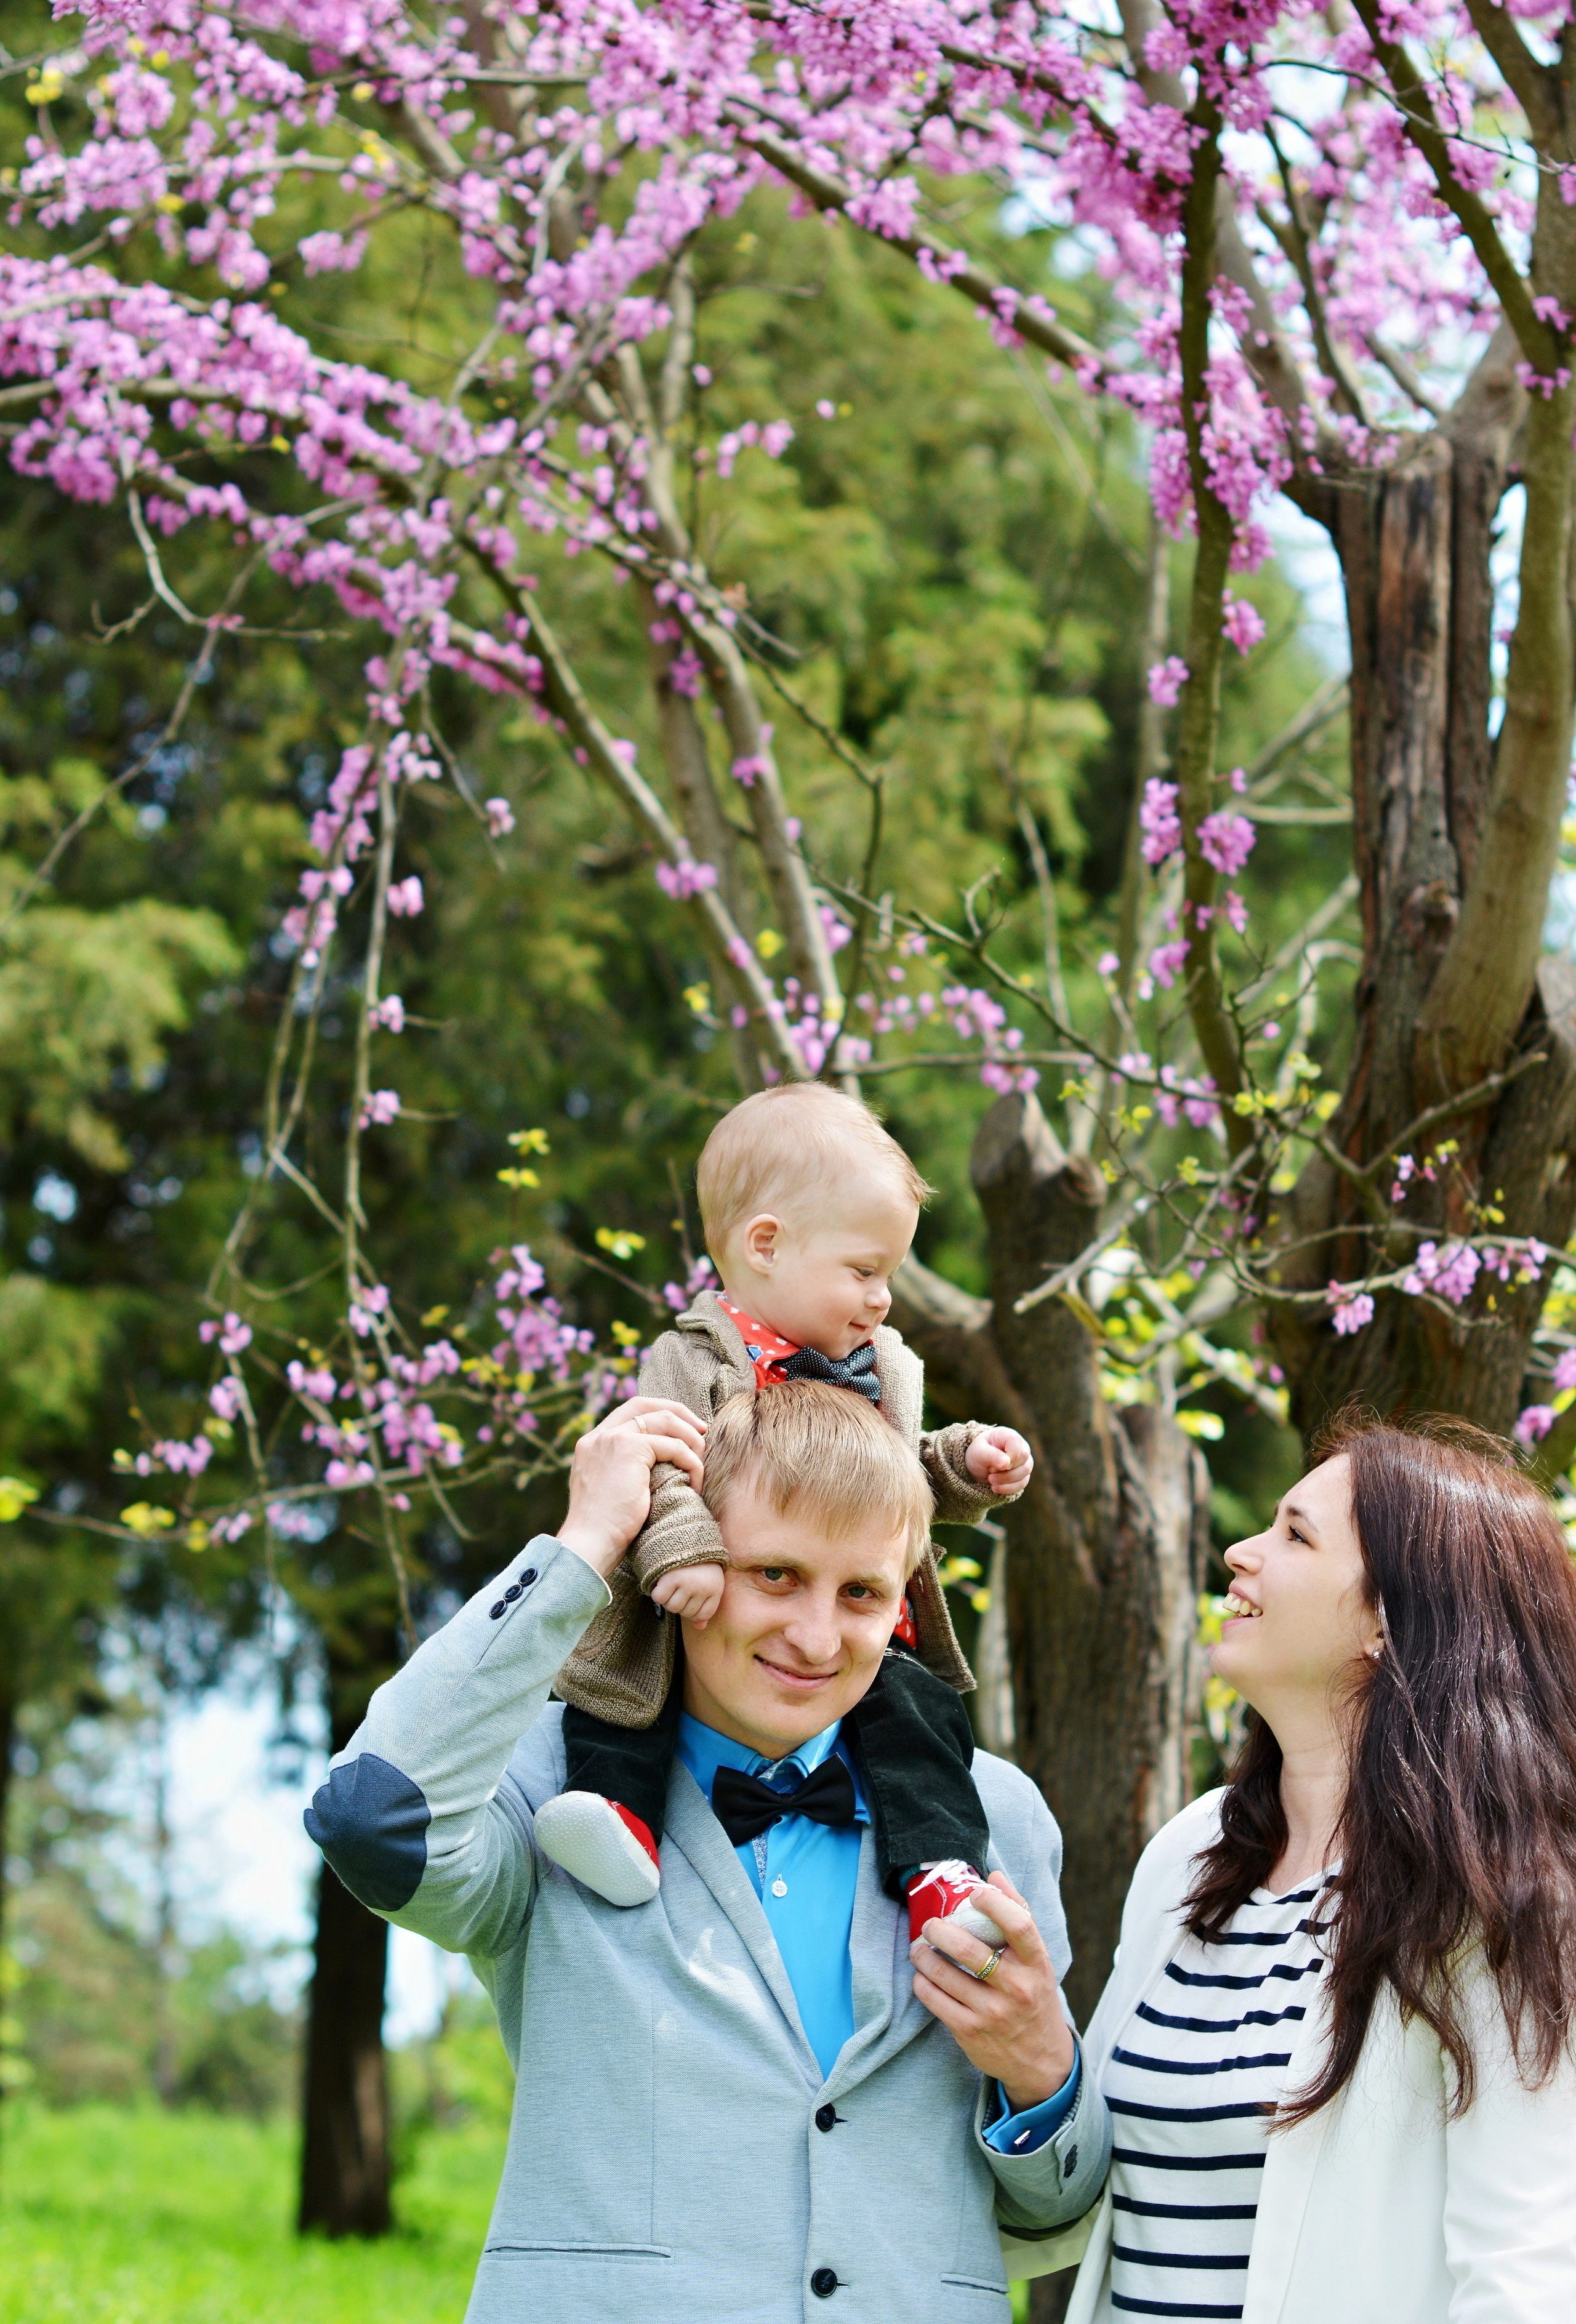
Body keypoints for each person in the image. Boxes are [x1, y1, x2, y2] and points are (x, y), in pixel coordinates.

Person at [305, 1381, 1109, 2320]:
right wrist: (583, 1549)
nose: (815, 1637)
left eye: (861, 1593)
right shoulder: (548, 1791)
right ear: (680, 1560)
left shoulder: (995, 1815)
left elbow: (1054, 2220)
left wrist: (1041, 2068)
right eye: (774, 1574)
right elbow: (369, 1817)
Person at [1065, 1413, 1576, 2324]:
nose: (1238, 1551)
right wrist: (1033, 2069)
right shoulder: (1191, 1855)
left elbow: (1526, 2275)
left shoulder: (1497, 1898)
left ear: (1390, 1620)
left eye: (1294, 1535)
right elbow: (1070, 2222)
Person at [539, 1079, 1034, 1954]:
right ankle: (618, 1817)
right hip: (690, 1599)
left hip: (867, 1623)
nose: (883, 1297)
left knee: (918, 1722)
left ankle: (941, 1871)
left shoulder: (879, 1369)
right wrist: (686, 1549)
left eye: (891, 1274)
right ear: (766, 1245)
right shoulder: (696, 1359)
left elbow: (895, 1484)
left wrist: (962, 1466)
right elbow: (660, 1465)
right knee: (623, 1702)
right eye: (865, 1270)